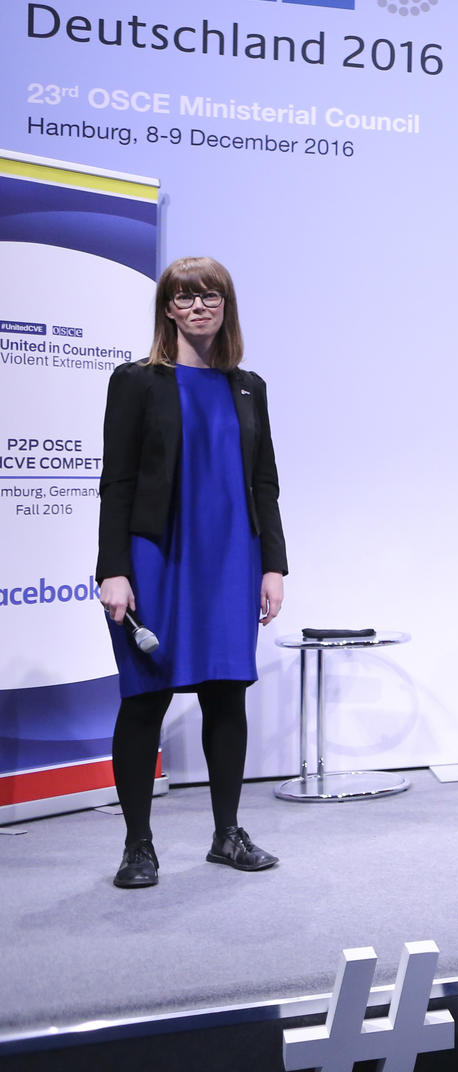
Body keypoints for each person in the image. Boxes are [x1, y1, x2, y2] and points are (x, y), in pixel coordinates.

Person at [96, 256, 286, 889]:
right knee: (144, 698)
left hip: (232, 558)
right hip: (155, 557)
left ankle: (227, 834)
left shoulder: (249, 386)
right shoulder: (136, 381)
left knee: (226, 694)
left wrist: (274, 565)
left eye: (210, 296)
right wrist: (114, 570)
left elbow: (265, 484)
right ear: (168, 308)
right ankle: (138, 847)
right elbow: (117, 483)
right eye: (185, 297)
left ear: (226, 306)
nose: (199, 306)